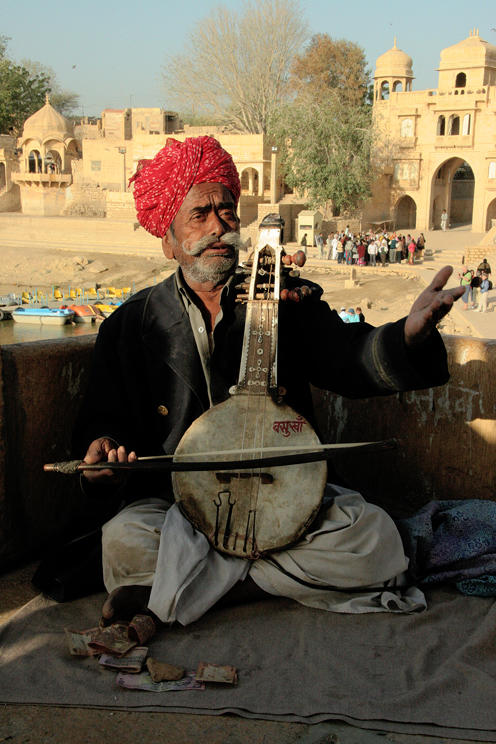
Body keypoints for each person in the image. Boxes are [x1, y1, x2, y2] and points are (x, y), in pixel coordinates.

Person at [74, 135, 464, 629]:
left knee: (373, 539)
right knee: (124, 540)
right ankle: (258, 580)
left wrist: (406, 338)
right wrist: (103, 459)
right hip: (184, 510)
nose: (220, 226)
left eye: (228, 211)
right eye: (200, 214)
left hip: (288, 500)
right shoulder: (130, 325)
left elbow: (349, 359)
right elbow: (102, 424)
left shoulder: (285, 302)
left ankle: (206, 591)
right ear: (167, 238)